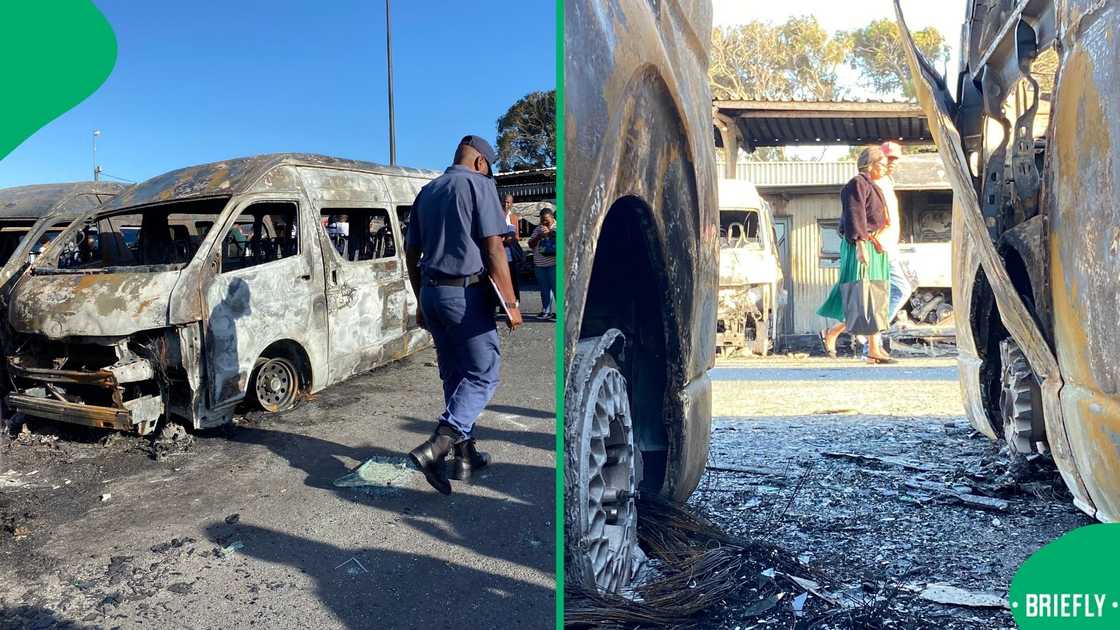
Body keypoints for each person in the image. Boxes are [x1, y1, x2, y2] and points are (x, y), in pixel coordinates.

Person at [403, 134, 523, 495]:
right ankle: (437, 447)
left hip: (432, 292)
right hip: (465, 295)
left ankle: (465, 456)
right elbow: (493, 248)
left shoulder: (427, 192)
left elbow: (411, 254)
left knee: (455, 376)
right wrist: (512, 303)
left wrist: (421, 300)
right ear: (481, 162)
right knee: (484, 374)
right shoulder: (478, 185)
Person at [817, 146, 896, 364]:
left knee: (876, 293)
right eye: (882, 163)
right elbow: (856, 215)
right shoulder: (857, 184)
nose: (885, 167)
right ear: (871, 164)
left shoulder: (874, 185)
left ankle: (872, 348)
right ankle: (843, 337)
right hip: (861, 243)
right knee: (861, 293)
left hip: (875, 243)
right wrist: (861, 245)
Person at [527, 207, 557, 319]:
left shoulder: (558, 227)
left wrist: (550, 233)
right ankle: (546, 311)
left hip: (554, 264)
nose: (544, 222)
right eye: (542, 220)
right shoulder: (538, 229)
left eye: (546, 220)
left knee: (556, 289)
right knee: (544, 289)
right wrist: (539, 236)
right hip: (539, 264)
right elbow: (530, 244)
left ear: (552, 218)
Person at [500, 193, 522, 306]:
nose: (506, 204)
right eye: (504, 201)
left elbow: (517, 235)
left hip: (511, 252)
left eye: (508, 202)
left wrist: (512, 238)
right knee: (502, 279)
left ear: (512, 203)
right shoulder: (496, 216)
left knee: (513, 278)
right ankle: (502, 304)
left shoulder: (514, 217)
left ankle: (515, 301)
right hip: (500, 252)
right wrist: (503, 239)